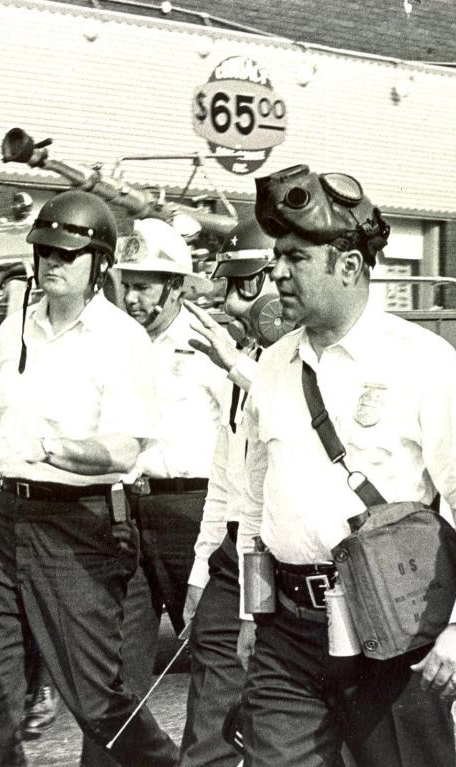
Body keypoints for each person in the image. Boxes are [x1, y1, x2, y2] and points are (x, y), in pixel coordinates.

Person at [234, 164, 456, 766]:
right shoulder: (273, 366)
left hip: (393, 628)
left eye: (295, 258)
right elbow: (255, 499)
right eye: (276, 256)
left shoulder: (422, 360)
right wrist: (252, 610)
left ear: (349, 266)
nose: (275, 272)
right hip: (289, 632)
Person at [0, 190, 179, 767]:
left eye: (67, 254)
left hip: (80, 530)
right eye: (44, 251)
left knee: (96, 700)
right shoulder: (19, 323)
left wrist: (51, 448)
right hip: (11, 525)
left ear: (99, 264)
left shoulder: (122, 341)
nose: (52, 263)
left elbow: (123, 450)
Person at [79, 217, 227, 767]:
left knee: (214, 668)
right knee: (112, 673)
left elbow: (245, 432)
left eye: (145, 284)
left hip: (195, 514)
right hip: (128, 517)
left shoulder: (206, 342)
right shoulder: (115, 344)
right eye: (126, 282)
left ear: (176, 285)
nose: (132, 296)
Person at [177, 218, 290, 767]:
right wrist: (201, 569)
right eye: (229, 285)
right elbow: (222, 481)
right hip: (236, 555)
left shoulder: (295, 360)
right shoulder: (239, 366)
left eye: (246, 284)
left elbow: (288, 416)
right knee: (208, 730)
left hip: (291, 560)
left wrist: (239, 367)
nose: (232, 301)